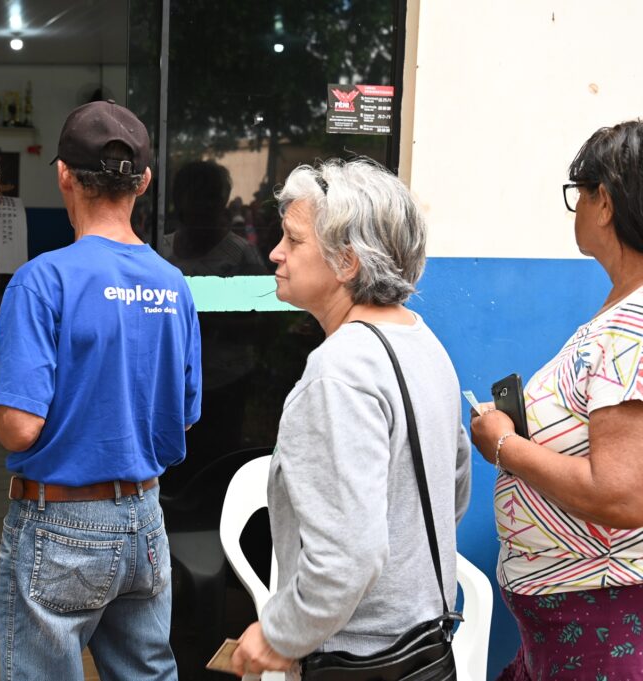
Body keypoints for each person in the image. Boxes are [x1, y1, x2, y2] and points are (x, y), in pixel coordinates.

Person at [230, 158, 471, 677]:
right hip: (424, 646)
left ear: (347, 262)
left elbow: (345, 559)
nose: (275, 253)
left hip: (357, 655)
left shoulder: (337, 372)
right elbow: (451, 491)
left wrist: (279, 632)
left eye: (293, 241)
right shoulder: (422, 343)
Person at [0, 100, 202, 681]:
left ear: (62, 174)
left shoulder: (42, 279)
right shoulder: (173, 284)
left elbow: (19, 426)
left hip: (60, 523)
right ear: (146, 182)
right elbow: (180, 419)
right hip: (147, 519)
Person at [470, 120, 643, 680]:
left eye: (579, 194)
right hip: (572, 614)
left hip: (602, 616)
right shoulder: (620, 312)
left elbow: (619, 497)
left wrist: (504, 446)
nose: (576, 210)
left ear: (606, 201)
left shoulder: (630, 330)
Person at [160, 160, 267, 276]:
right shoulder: (161, 248)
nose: (206, 206)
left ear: (222, 201)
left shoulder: (243, 254)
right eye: (197, 197)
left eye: (212, 197)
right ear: (179, 200)